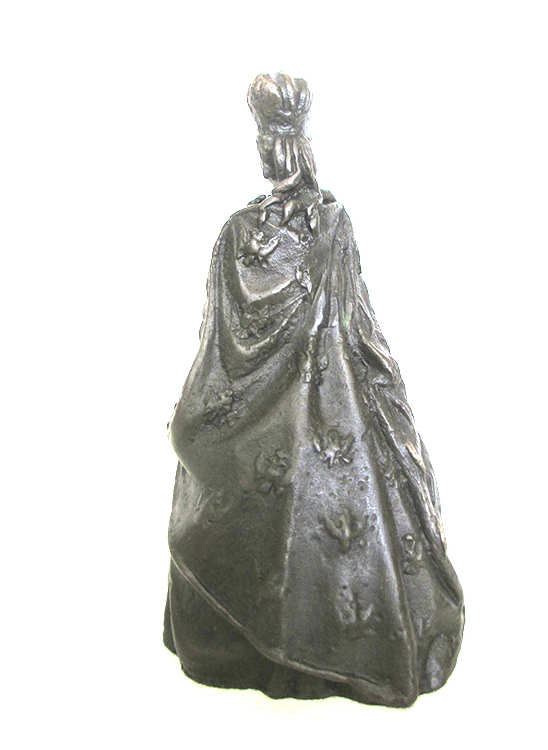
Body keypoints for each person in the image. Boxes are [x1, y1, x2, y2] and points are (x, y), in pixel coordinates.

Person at [164, 73, 464, 707]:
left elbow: (218, 346)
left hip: (314, 416)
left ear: (268, 148)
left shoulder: (245, 230)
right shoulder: (323, 222)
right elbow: (354, 322)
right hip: (332, 411)